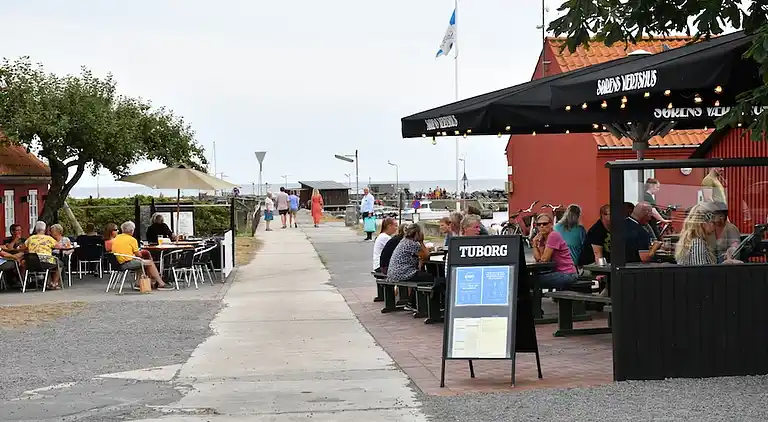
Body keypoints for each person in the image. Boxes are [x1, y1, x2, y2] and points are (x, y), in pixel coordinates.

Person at [111, 221, 173, 290]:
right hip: (126, 263)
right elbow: (138, 255)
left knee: (140, 264)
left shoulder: (116, 238)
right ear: (132, 230)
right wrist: (141, 253)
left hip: (118, 263)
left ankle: (138, 284)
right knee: (149, 263)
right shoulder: (132, 240)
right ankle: (161, 283)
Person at [675, 203, 742, 266]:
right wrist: (726, 264)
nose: (715, 226)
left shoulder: (691, 240)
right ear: (704, 223)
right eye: (713, 222)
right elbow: (703, 273)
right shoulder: (698, 243)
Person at [532, 213, 578, 289]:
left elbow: (544, 260)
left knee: (532, 280)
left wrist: (541, 258)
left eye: (545, 224)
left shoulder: (553, 235)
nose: (541, 226)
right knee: (531, 279)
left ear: (551, 224)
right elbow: (539, 259)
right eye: (538, 224)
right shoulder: (542, 239)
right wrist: (534, 243)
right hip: (559, 273)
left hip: (567, 274)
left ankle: (533, 300)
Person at [25, 221, 63, 290]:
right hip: (45, 262)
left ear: (36, 230)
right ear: (44, 229)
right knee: (59, 263)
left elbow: (22, 248)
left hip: (32, 264)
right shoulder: (48, 238)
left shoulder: (30, 239)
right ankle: (54, 283)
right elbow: (59, 246)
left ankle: (47, 283)